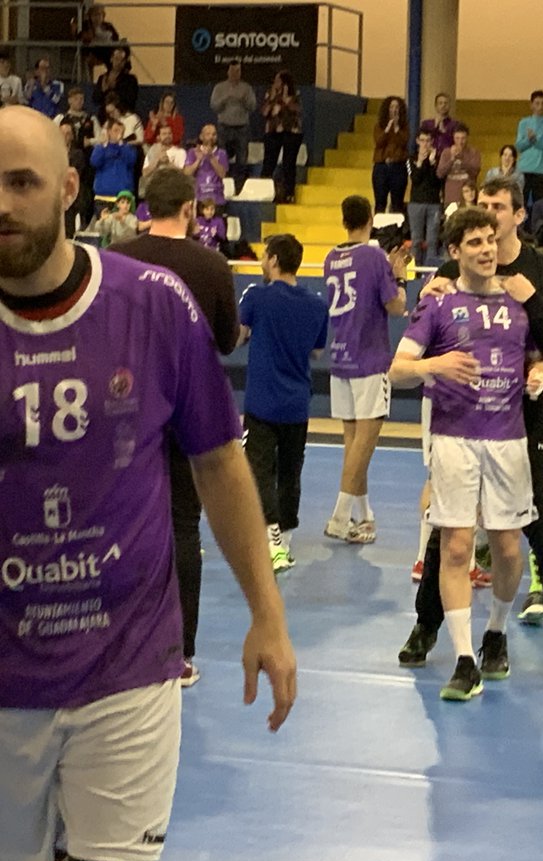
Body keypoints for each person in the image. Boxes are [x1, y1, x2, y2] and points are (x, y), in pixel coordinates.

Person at [0, 105, 295, 861]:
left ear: (70, 188)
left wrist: (266, 613)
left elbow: (220, 463)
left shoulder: (154, 304)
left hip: (127, 661)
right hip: (8, 672)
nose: (3, 203)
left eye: (22, 183)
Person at [397, 178, 543, 690]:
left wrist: (534, 305)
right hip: (462, 420)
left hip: (526, 419)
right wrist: (427, 298)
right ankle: (428, 626)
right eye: (481, 207)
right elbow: (426, 333)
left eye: (498, 208)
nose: (488, 215)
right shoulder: (451, 274)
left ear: (518, 216)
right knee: (451, 534)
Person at [391, 212, 543, 703]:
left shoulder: (518, 300)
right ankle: (463, 660)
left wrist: (539, 374)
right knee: (456, 547)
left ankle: (495, 630)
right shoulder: (438, 303)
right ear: (455, 252)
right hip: (454, 438)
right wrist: (437, 364)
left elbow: (541, 354)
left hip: (507, 440)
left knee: (507, 549)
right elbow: (397, 370)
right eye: (474, 242)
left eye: (490, 240)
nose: (486, 249)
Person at [109, 165, 240, 684]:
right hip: (187, 411)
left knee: (120, 522)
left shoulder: (116, 258)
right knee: (184, 525)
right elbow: (226, 341)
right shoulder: (211, 265)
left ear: (145, 207)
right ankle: (180, 652)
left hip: (123, 410)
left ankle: (120, 642)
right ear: (190, 209)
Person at [239, 234, 329, 572]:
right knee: (291, 472)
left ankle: (272, 536)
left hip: (262, 403)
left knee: (259, 469)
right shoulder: (317, 304)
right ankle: (285, 540)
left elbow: (237, 336)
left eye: (265, 256)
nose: (262, 262)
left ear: (274, 260)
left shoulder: (256, 296)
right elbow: (316, 351)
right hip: (296, 403)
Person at [323, 195, 408, 544]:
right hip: (369, 357)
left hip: (340, 356)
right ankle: (340, 516)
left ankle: (364, 516)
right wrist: (400, 277)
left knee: (352, 443)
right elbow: (396, 306)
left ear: (343, 220)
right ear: (370, 219)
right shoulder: (373, 257)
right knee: (364, 444)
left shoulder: (331, 257)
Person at [210, 60, 257, 191]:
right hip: (224, 127)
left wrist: (243, 100)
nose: (235, 73)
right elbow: (214, 106)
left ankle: (239, 188)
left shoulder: (246, 88)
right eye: (233, 71)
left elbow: (253, 106)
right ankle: (223, 186)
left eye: (238, 71)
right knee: (221, 157)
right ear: (228, 71)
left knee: (242, 160)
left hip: (242, 128)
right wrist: (225, 98)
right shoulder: (220, 88)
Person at [261, 70, 303, 203]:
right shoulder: (270, 94)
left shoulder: (295, 94)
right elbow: (265, 112)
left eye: (278, 81)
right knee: (269, 162)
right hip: (273, 131)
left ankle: (289, 193)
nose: (275, 83)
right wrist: (272, 98)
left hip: (291, 132)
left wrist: (285, 99)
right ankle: (264, 189)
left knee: (288, 163)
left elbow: (297, 109)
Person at [408, 129, 443, 266]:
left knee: (432, 240)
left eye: (428, 141)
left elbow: (438, 181)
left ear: (432, 142)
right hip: (416, 203)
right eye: (422, 140)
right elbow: (415, 179)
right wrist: (420, 162)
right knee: (416, 240)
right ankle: (414, 271)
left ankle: (430, 271)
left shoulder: (437, 158)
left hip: (433, 203)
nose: (425, 144)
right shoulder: (411, 159)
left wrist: (432, 163)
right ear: (417, 141)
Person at [516, 90, 543, 205]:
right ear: (531, 105)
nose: (540, 107)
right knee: (522, 202)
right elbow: (519, 146)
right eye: (537, 103)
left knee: (541, 203)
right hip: (525, 168)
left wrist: (534, 140)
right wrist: (529, 140)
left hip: (542, 169)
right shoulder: (523, 122)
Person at [373, 96, 409, 214]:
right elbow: (379, 142)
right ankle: (379, 224)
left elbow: (403, 142)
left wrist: (397, 128)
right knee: (380, 202)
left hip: (398, 166)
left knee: (397, 204)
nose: (394, 110)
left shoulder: (404, 127)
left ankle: (396, 225)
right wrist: (388, 129)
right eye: (392, 107)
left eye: (397, 107)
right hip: (381, 166)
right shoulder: (379, 126)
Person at [184, 123, 230, 206]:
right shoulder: (192, 152)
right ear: (201, 136)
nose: (211, 137)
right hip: (199, 198)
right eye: (208, 134)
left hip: (217, 198)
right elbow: (187, 173)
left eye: (214, 134)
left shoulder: (222, 153)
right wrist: (198, 160)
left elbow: (222, 174)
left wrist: (211, 157)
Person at [437, 123, 482, 207]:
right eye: (457, 138)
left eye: (463, 138)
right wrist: (452, 159)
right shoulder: (446, 152)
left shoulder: (474, 152)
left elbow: (475, 172)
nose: (460, 142)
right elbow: (440, 174)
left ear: (467, 138)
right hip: (451, 196)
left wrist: (461, 160)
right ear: (453, 138)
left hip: (468, 198)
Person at [92, 44, 137, 113]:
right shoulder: (103, 78)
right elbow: (95, 99)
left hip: (122, 113)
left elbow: (130, 100)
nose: (118, 62)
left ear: (125, 62)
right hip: (104, 114)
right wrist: (103, 90)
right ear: (111, 59)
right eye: (116, 59)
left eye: (121, 60)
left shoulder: (130, 80)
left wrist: (114, 89)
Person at [420, 92, 462, 157]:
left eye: (446, 103)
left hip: (448, 157)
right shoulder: (426, 123)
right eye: (440, 103)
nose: (443, 105)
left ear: (449, 106)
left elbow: (457, 142)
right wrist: (435, 128)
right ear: (436, 106)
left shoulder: (455, 124)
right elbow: (422, 140)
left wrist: (444, 132)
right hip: (429, 156)